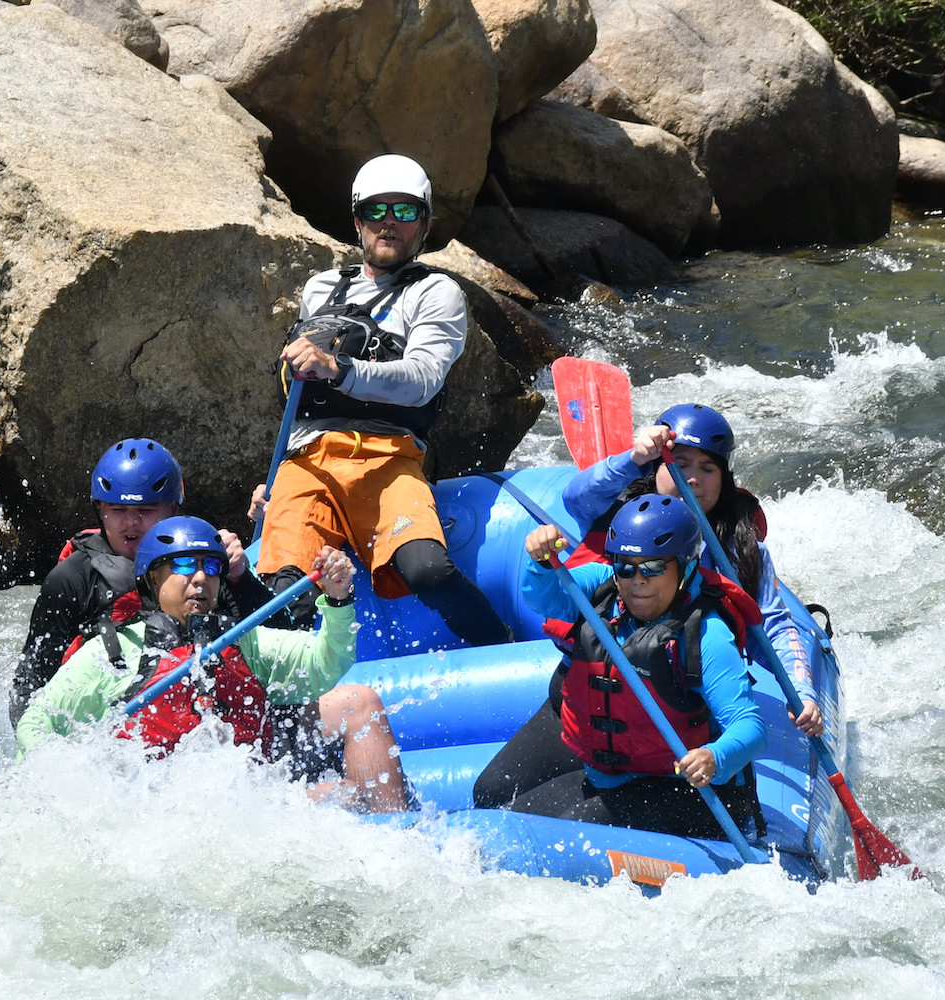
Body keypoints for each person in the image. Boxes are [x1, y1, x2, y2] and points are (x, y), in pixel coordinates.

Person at [251, 153, 511, 646]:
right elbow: (297, 397)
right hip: (308, 461)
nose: (389, 223)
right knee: (284, 598)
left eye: (405, 212)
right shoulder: (321, 288)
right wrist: (270, 483)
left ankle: (509, 653)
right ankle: (289, 706)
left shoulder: (437, 292)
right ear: (358, 221)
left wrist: (339, 367)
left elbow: (423, 378)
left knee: (428, 571)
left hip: (389, 457)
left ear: (425, 225)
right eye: (377, 211)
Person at [17, 515, 410, 813]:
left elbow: (324, 664)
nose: (201, 579)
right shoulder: (115, 652)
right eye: (184, 567)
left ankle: (396, 848)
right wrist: (79, 784)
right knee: (330, 795)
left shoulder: (242, 639)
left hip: (252, 793)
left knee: (359, 706)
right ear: (153, 580)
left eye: (212, 567)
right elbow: (36, 722)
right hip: (163, 808)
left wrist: (338, 600)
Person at [469, 496, 766, 839]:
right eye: (625, 566)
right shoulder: (602, 587)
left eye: (653, 568)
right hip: (612, 776)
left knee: (565, 832)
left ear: (685, 567)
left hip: (688, 792)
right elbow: (546, 598)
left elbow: (751, 727)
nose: (637, 580)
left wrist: (714, 757)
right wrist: (540, 561)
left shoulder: (707, 635)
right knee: (495, 807)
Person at [562, 404, 825, 737]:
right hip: (594, 687)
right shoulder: (620, 519)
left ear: (724, 479)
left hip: (684, 704)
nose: (693, 479)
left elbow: (771, 625)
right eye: (680, 465)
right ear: (656, 469)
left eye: (707, 468)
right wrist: (632, 459)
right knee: (493, 788)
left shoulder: (737, 549)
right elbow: (574, 498)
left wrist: (801, 691)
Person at [18, 438, 274, 705]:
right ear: (100, 510)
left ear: (172, 510)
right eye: (118, 510)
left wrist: (240, 578)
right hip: (110, 719)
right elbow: (30, 686)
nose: (131, 523)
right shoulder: (72, 578)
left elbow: (276, 647)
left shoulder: (205, 566)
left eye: (145, 510)